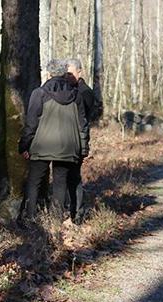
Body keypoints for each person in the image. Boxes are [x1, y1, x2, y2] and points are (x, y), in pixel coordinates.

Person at [18, 59, 89, 220]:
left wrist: (24, 146)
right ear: (64, 73)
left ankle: (30, 217)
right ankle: (56, 219)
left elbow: (31, 123)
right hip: (68, 146)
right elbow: (82, 124)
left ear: (49, 74)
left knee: (34, 181)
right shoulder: (76, 95)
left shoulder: (39, 93)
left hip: (41, 145)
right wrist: (83, 148)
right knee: (60, 183)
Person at [66, 58, 95, 223]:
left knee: (74, 176)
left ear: (79, 72)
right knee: (68, 176)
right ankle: (71, 209)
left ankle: (78, 212)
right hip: (68, 139)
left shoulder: (84, 92)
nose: (68, 77)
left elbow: (83, 119)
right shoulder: (71, 90)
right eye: (66, 73)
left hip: (78, 140)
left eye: (70, 73)